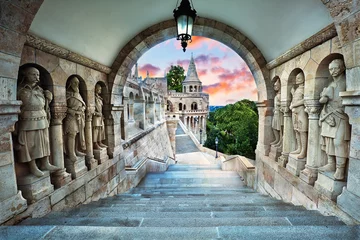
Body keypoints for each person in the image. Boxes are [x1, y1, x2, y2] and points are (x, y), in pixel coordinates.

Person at [16, 67, 59, 177]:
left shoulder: (40, 90)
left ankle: (45, 163)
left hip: (42, 118)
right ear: (26, 75)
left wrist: (48, 99)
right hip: (27, 120)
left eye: (38, 75)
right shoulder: (20, 90)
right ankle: (33, 166)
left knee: (44, 142)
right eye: (33, 74)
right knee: (30, 144)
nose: (37, 77)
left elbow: (45, 106)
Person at [318, 59, 350, 180]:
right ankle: (331, 164)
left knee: (339, 142)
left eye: (335, 68)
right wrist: (323, 97)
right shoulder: (331, 84)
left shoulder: (346, 81)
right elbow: (323, 100)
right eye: (331, 69)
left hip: (341, 115)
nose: (333, 71)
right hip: (329, 115)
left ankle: (340, 169)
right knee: (328, 140)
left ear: (342, 68)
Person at [64, 76, 86, 162]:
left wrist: (82, 109)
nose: (76, 84)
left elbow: (84, 104)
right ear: (70, 83)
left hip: (79, 117)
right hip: (71, 117)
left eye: (77, 83)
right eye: (74, 82)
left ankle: (76, 150)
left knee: (77, 134)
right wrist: (75, 112)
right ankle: (71, 153)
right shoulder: (67, 94)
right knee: (71, 134)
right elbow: (63, 107)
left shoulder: (78, 93)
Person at [289, 72, 308, 159]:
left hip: (301, 113)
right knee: (296, 130)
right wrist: (291, 104)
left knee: (302, 131)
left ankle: (303, 151)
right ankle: (299, 148)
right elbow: (294, 99)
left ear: (304, 79)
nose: (297, 80)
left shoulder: (305, 89)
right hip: (294, 113)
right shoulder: (297, 89)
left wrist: (294, 105)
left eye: (299, 78)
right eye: (296, 78)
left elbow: (305, 100)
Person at [93, 84, 107, 150]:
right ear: (96, 89)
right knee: (96, 131)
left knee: (101, 130)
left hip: (100, 117)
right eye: (99, 89)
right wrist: (97, 113)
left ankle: (100, 142)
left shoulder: (99, 98)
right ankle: (95, 144)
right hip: (96, 117)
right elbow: (91, 109)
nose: (100, 90)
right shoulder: (93, 98)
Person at [270, 78, 283, 147]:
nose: (275, 87)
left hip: (279, 114)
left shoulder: (281, 95)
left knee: (280, 128)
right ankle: (277, 139)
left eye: (276, 86)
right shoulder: (277, 94)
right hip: (276, 113)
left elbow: (283, 104)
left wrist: (279, 104)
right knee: (274, 127)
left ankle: (280, 142)